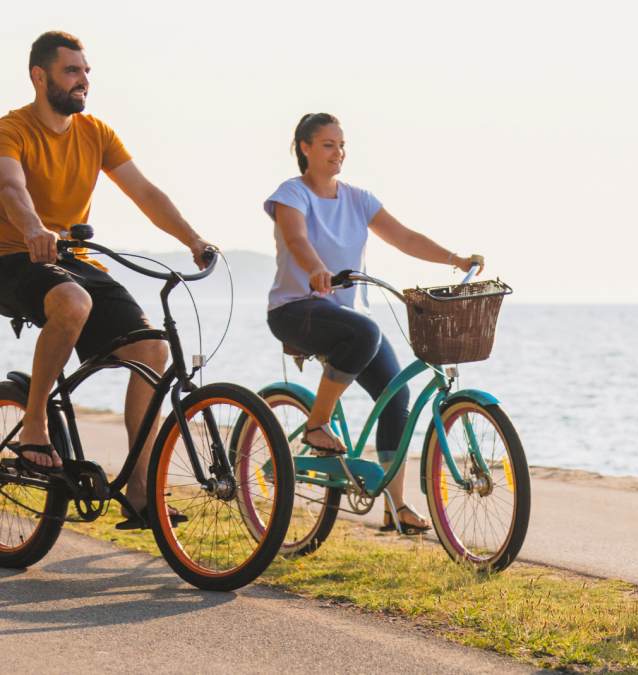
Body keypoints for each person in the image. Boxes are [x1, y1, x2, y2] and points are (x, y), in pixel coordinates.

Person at [0, 32, 213, 528]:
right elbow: (10, 185)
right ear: (40, 76)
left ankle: (139, 490)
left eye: (86, 71)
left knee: (153, 351)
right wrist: (33, 229)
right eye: (72, 71)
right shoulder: (12, 129)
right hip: (13, 257)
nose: (84, 81)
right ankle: (34, 424)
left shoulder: (96, 133)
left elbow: (145, 192)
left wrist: (193, 239)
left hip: (74, 261)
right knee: (71, 302)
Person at [265, 112, 483, 535]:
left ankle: (395, 506)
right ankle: (316, 424)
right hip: (296, 309)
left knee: (396, 396)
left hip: (347, 316)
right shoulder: (291, 194)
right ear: (304, 148)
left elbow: (404, 238)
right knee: (365, 331)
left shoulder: (358, 198)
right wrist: (315, 268)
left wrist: (454, 259)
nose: (338, 152)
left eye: (341, 144)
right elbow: (296, 239)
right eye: (328, 144)